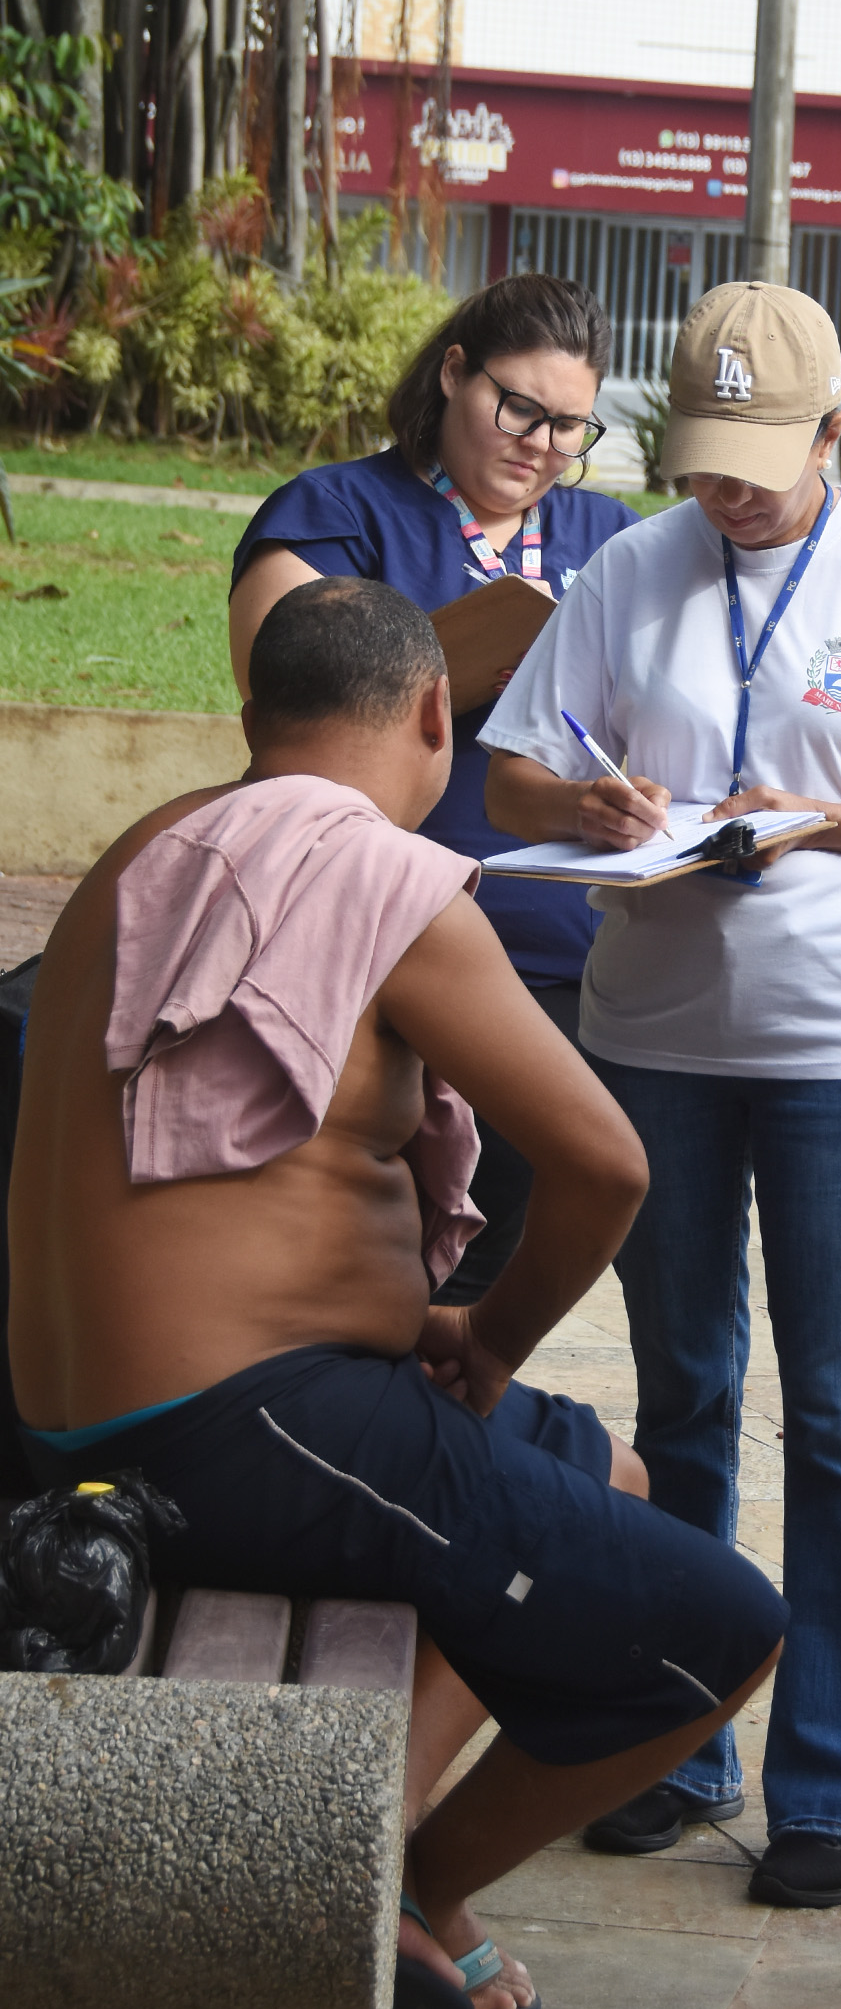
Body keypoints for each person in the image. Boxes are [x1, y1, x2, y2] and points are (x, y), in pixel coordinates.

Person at [6, 578, 786, 2009]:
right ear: (439, 712)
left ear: (254, 723)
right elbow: (606, 1162)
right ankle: (402, 1882)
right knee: (722, 1631)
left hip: (75, 1408)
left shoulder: (146, 847)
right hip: (229, 1424)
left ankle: (400, 1855)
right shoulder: (390, 879)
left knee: (598, 1468)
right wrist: (487, 1339)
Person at [482, 281, 841, 1906]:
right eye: (701, 462)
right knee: (680, 1402)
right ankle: (674, 1744)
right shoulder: (628, 570)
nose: (722, 495)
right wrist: (585, 805)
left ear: (831, 434)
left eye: (755, 462)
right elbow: (514, 764)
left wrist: (827, 823)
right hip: (654, 1032)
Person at [230, 273, 635, 1305]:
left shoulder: (613, 538)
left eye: (570, 428)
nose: (541, 445)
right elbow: (287, 708)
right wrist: (452, 664)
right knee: (370, 1249)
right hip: (370, 936)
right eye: (520, 408)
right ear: (454, 371)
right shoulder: (334, 511)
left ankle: (442, 1424)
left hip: (562, 949)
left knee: (508, 1238)